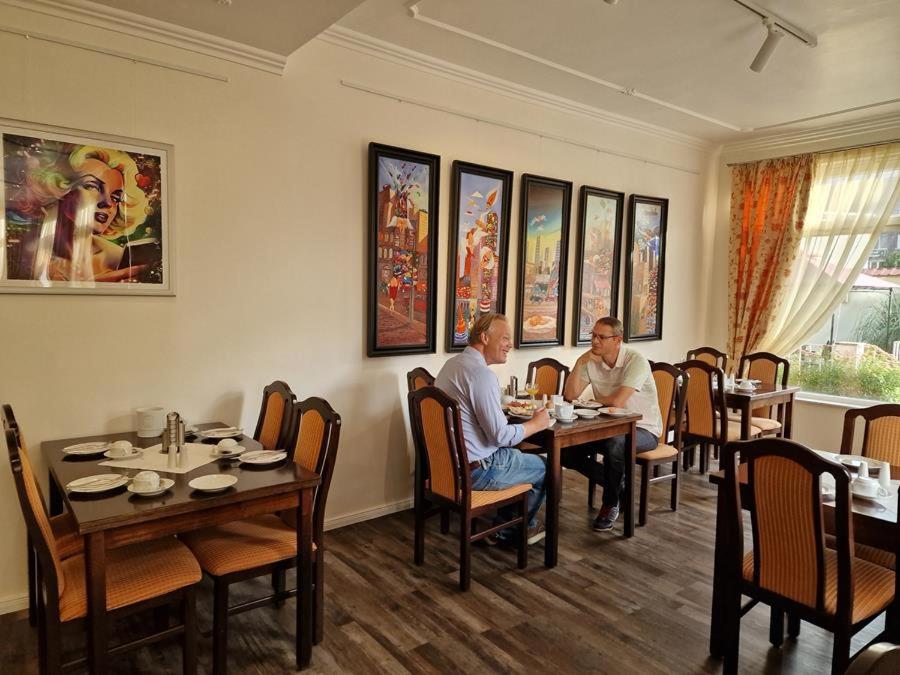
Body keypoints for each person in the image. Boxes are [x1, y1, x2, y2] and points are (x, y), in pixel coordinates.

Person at [435, 312, 551, 545]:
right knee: (547, 467)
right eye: (505, 338)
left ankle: (504, 523)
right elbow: (501, 436)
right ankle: (509, 531)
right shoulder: (481, 375)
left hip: (448, 467)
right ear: (485, 337)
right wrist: (536, 424)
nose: (510, 345)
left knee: (517, 454)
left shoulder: (452, 364)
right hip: (476, 471)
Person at [562, 316, 662, 532]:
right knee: (566, 450)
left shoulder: (635, 360)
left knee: (615, 444)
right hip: (606, 427)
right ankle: (618, 487)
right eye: (593, 335)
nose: (594, 341)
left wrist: (591, 402)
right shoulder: (590, 360)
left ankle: (610, 503)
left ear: (618, 340)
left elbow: (618, 402)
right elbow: (570, 395)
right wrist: (580, 362)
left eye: (601, 337)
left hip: (644, 429)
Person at [8, 142, 151, 282]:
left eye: (116, 198)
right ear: (59, 187)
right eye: (92, 187)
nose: (108, 203)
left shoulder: (119, 258)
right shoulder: (18, 253)